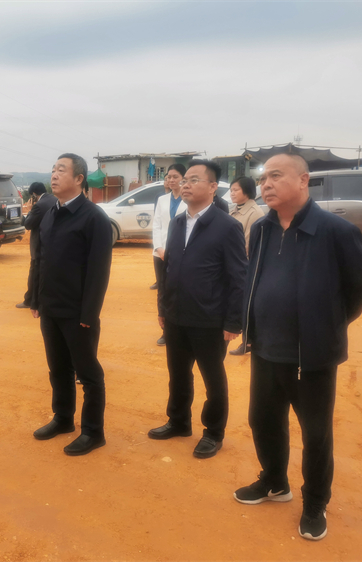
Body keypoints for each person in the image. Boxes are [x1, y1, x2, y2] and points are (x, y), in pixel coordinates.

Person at [233, 154, 362, 541]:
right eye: (264, 178)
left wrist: (325, 326)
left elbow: (360, 290)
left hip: (310, 357)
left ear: (303, 180)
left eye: (276, 176)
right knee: (263, 421)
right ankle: (275, 482)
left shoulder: (335, 231)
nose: (266, 185)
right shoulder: (262, 229)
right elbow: (254, 278)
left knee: (316, 434)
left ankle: (315, 503)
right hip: (265, 349)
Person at [149, 160, 247, 459]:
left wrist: (233, 321)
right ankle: (178, 421)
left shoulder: (227, 226)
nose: (185, 185)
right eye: (184, 180)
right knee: (178, 374)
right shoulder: (178, 222)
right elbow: (169, 269)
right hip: (176, 314)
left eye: (194, 180)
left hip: (209, 319)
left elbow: (238, 277)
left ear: (213, 186)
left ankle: (213, 432)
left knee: (212, 379)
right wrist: (164, 307)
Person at [30, 153, 112, 456]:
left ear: (79, 179)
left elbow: (99, 271)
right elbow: (41, 260)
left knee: (88, 374)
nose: (54, 175)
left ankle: (93, 432)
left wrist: (89, 313)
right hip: (50, 308)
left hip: (78, 313)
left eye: (61, 170)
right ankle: (63, 418)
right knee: (58, 369)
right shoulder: (51, 212)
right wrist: (36, 299)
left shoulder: (93, 218)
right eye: (53, 169)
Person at [228, 176, 265, 356]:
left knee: (247, 306)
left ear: (247, 191)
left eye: (236, 190)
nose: (232, 193)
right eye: (231, 190)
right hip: (231, 264)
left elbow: (247, 245)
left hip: (244, 267)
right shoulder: (234, 210)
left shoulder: (255, 213)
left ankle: (248, 342)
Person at [151, 164, 187, 345]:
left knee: (181, 289)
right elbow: (156, 224)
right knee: (163, 290)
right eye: (169, 177)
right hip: (161, 253)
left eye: (175, 177)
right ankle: (166, 330)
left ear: (183, 178)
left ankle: (182, 327)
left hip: (182, 253)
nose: (171, 180)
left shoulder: (189, 199)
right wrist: (159, 247)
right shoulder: (162, 200)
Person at [16, 182, 56, 309]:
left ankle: (29, 300)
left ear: (34, 194)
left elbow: (28, 224)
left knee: (34, 273)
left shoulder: (38, 206)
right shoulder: (54, 199)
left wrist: (29, 210)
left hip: (39, 245)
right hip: (53, 244)